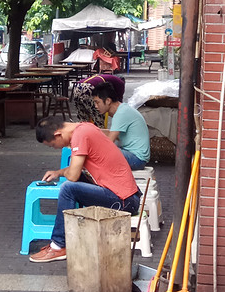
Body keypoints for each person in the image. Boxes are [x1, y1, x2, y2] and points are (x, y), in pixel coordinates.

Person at [29, 116, 142, 263]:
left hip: (125, 201)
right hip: (127, 197)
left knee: (68, 188)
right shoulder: (84, 128)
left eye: (53, 145)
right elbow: (76, 171)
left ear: (58, 134)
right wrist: (58, 172)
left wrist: (68, 174)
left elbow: (73, 176)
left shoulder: (80, 136)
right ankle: (73, 236)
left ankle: (58, 246)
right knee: (76, 182)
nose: (58, 148)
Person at [90, 83, 151, 170]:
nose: (96, 106)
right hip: (133, 155)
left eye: (97, 102)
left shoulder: (121, 113)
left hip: (137, 159)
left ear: (108, 101)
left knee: (99, 151)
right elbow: (110, 133)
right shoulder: (122, 110)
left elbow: (109, 142)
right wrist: (90, 131)